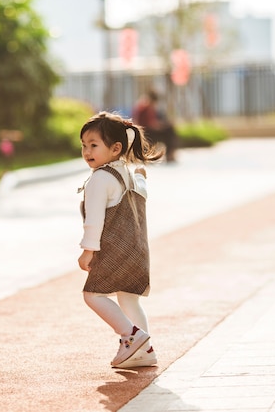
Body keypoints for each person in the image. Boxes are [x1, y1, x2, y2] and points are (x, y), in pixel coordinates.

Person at [77, 111, 163, 368]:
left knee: (92, 295)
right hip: (137, 250)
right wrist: (140, 177)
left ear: (115, 148)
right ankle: (145, 350)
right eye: (83, 145)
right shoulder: (124, 172)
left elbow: (94, 220)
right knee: (128, 298)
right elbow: (141, 191)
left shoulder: (100, 179)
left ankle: (131, 336)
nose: (87, 151)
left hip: (114, 251)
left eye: (94, 145)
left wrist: (88, 250)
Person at [132, 89, 178, 163]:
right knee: (169, 130)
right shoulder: (147, 106)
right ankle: (170, 155)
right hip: (148, 132)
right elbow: (152, 124)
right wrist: (164, 125)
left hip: (142, 131)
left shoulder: (141, 104)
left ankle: (170, 155)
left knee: (168, 129)